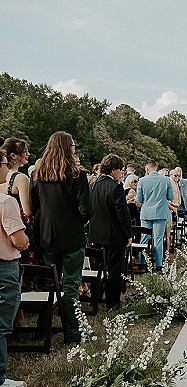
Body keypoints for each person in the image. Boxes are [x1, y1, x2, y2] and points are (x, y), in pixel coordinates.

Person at [31, 131, 93, 344]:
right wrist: (78, 218)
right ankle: (72, 334)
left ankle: (43, 328)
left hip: (47, 235)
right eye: (73, 145)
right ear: (68, 148)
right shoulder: (76, 174)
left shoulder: (38, 174)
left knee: (51, 283)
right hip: (72, 236)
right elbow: (87, 209)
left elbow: (35, 206)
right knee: (71, 285)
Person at [0, 137, 37, 328]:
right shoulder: (20, 178)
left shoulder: (2, 180)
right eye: (25, 151)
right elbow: (27, 210)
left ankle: (17, 316)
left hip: (3, 229)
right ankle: (19, 319)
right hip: (19, 226)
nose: (28, 154)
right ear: (14, 156)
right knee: (21, 270)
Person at [87, 154, 132, 311]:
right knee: (115, 269)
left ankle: (96, 296)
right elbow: (123, 213)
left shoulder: (93, 184)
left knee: (97, 267)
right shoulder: (115, 187)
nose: (121, 173)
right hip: (114, 235)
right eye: (120, 170)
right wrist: (128, 234)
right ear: (113, 170)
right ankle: (113, 302)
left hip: (95, 233)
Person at [0, 147, 29, 387]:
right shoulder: (6, 201)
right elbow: (19, 240)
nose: (5, 168)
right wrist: (25, 241)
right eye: (2, 164)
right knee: (1, 326)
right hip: (4, 266)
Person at [135, 160, 173, 270]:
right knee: (158, 239)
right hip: (160, 212)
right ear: (156, 168)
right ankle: (159, 264)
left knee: (144, 238)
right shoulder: (166, 180)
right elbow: (170, 197)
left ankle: (142, 262)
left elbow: (139, 200)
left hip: (146, 213)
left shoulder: (141, 180)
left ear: (147, 169)